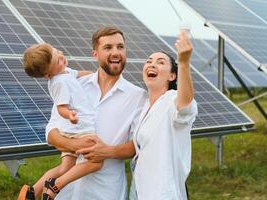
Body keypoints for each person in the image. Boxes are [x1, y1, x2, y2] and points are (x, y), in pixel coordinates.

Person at [78, 31, 198, 200]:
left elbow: (185, 105)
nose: (152, 64)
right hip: (140, 190)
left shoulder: (172, 102)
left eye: (160, 62)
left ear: (172, 76)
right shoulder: (145, 105)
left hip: (163, 192)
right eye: (149, 61)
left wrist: (184, 63)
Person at [45, 26, 147, 200]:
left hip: (105, 191)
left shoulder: (139, 97)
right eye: (108, 48)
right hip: (65, 191)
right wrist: (75, 145)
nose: (116, 52)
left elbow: (136, 146)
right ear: (95, 54)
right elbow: (51, 133)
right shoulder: (74, 84)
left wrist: (107, 151)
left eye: (120, 47)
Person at [18, 43, 102, 200]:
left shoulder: (65, 72)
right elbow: (61, 107)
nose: (61, 57)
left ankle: (32, 192)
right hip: (79, 130)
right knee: (96, 162)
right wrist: (69, 115)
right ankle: (55, 186)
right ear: (48, 74)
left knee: (65, 167)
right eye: (57, 60)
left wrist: (95, 75)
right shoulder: (59, 82)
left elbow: (79, 73)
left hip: (69, 131)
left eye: (57, 52)